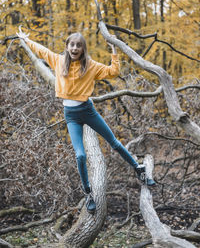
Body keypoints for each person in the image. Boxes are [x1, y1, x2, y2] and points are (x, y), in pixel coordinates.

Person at [17, 29, 155, 215]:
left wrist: (114, 50)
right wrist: (26, 40)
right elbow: (41, 50)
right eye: (72, 44)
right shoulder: (58, 61)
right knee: (80, 155)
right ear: (67, 47)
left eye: (78, 45)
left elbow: (113, 72)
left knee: (113, 142)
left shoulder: (90, 65)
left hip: (87, 111)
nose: (75, 48)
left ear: (83, 49)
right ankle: (88, 192)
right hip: (71, 115)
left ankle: (139, 169)